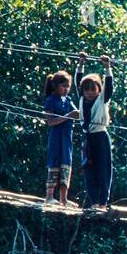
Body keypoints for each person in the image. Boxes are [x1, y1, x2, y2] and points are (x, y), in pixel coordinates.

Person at [76, 52, 115, 212]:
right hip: (87, 138)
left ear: (99, 90)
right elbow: (78, 81)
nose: (89, 92)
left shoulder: (102, 100)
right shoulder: (82, 99)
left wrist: (107, 68)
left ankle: (103, 202)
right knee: (88, 170)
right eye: (86, 90)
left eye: (93, 89)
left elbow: (109, 86)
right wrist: (80, 64)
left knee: (103, 169)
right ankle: (94, 202)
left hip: (100, 136)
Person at [42, 69, 79, 207]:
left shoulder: (68, 100)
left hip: (66, 138)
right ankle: (49, 196)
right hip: (56, 137)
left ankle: (63, 199)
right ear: (55, 86)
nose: (66, 89)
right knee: (54, 162)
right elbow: (50, 121)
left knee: (66, 164)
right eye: (63, 86)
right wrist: (68, 116)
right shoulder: (50, 100)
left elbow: (77, 114)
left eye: (68, 86)